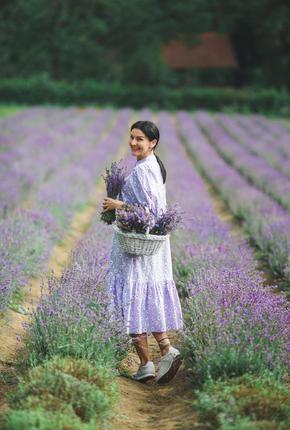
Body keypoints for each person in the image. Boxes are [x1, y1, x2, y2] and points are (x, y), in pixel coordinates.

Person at [102, 120, 183, 384]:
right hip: (150, 248)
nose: (134, 143)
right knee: (144, 297)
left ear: (153, 143)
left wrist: (117, 204)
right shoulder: (152, 165)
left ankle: (147, 363)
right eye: (132, 137)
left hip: (136, 249)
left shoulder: (143, 171)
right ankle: (166, 350)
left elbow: (150, 212)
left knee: (132, 300)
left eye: (140, 139)